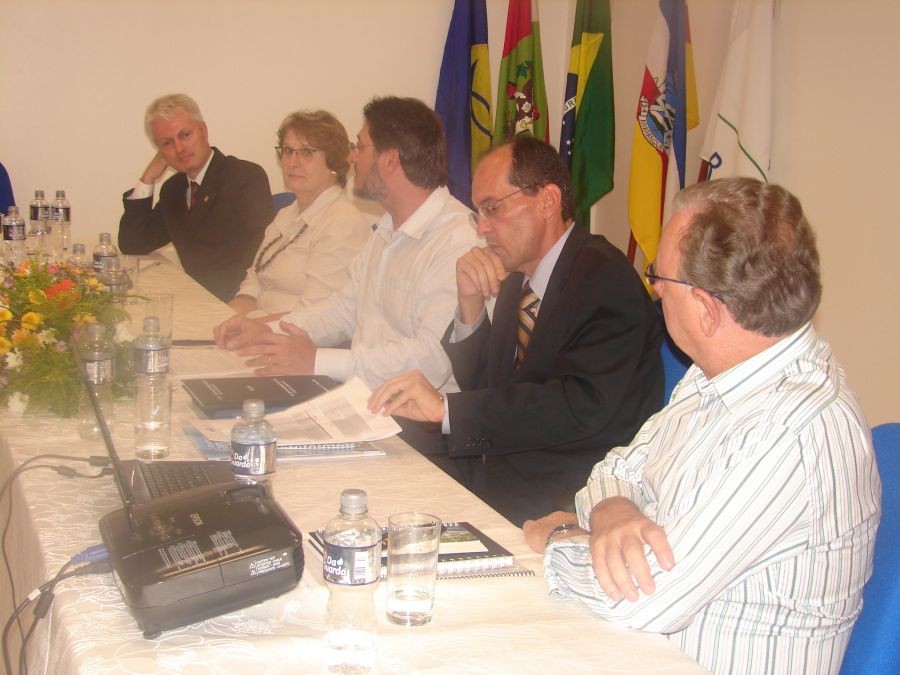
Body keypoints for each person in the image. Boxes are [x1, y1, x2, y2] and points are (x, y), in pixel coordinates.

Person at [523, 177, 882, 675]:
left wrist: (563, 535)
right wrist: (612, 511)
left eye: (659, 277)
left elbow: (639, 598)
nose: (653, 289)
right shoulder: (720, 372)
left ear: (707, 311)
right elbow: (619, 466)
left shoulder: (795, 433)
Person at [368, 136, 664, 525]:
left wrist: (447, 410)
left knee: (401, 492)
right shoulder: (519, 277)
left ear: (547, 201)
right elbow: (489, 388)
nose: (482, 228)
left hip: (566, 484)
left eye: (492, 208)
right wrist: (470, 306)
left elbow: (577, 406)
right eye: (478, 213)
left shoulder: (604, 277)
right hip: (506, 459)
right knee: (387, 444)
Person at [214, 96, 479, 400]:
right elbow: (343, 309)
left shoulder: (457, 240)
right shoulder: (387, 230)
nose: (351, 157)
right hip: (364, 395)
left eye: (360, 146)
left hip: (416, 414)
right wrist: (270, 332)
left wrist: (316, 361)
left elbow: (433, 360)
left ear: (390, 160)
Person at [118, 93, 273, 302]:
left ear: (203, 130)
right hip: (195, 298)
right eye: (167, 143)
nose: (179, 148)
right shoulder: (173, 189)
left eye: (185, 135)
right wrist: (148, 178)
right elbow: (134, 244)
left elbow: (262, 252)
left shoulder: (244, 177)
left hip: (237, 300)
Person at [222, 110, 370, 319]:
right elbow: (253, 284)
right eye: (288, 151)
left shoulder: (343, 223)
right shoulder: (286, 213)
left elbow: (316, 316)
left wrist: (249, 328)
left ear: (333, 162)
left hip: (297, 334)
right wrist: (222, 319)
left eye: (307, 152)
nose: (293, 162)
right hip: (260, 325)